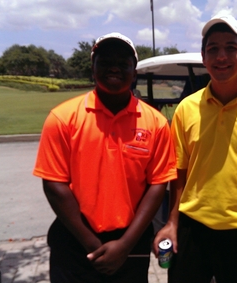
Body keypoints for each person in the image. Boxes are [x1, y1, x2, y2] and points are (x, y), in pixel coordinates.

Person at [33, 32, 177, 282]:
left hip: (131, 240)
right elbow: (54, 185)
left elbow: (157, 184)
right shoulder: (63, 118)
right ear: (93, 68)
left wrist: (124, 245)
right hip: (75, 239)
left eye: (123, 63)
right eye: (105, 61)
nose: (114, 68)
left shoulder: (156, 123)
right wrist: (91, 244)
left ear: (134, 72)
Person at [152, 13, 237, 283]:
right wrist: (172, 222)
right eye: (213, 49)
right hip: (193, 228)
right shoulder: (187, 108)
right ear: (204, 57)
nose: (221, 56)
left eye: (230, 48)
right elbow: (179, 172)